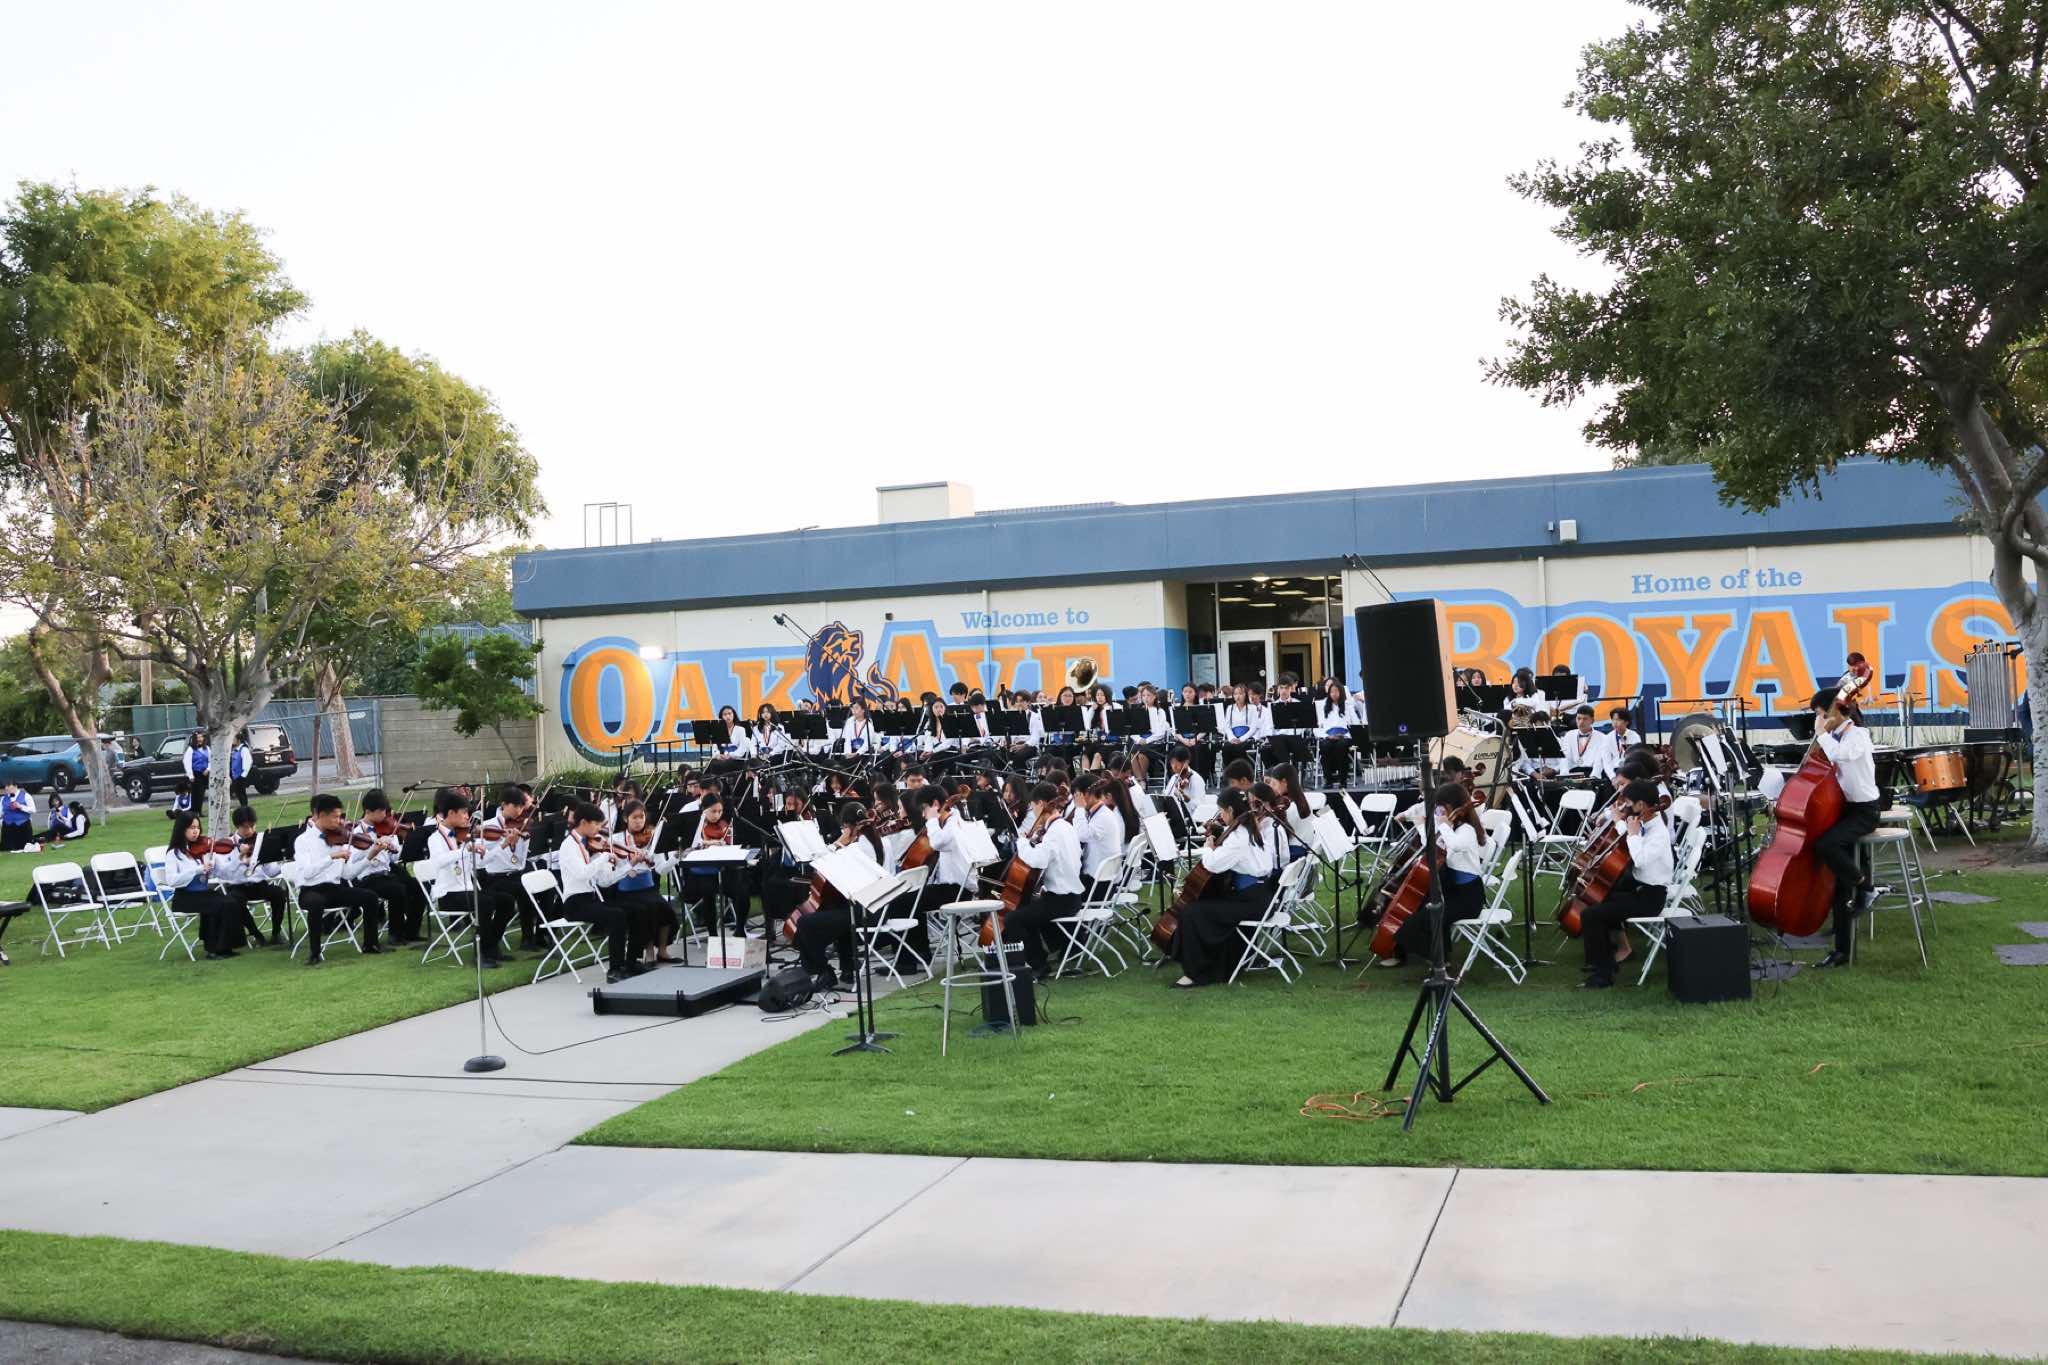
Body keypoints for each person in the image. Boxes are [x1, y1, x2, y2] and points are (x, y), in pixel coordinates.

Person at [1380, 782, 1494, 969]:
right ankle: (1428, 957)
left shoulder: (1466, 830)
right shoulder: (1453, 826)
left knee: (1426, 919)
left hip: (1468, 898)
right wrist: (1423, 827)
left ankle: (1440, 962)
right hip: (1452, 890)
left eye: (1441, 808)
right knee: (1417, 909)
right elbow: (1434, 848)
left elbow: (1455, 845)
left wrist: (1443, 825)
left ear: (1452, 806)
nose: (1438, 812)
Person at [1168, 790, 1274, 987]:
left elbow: (1212, 865)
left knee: (1192, 913)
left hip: (1251, 902)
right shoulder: (1250, 828)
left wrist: (1208, 848)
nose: (1222, 816)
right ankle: (1220, 963)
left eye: (1222, 811)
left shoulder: (1239, 836)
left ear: (1230, 810)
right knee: (1206, 905)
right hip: (1260, 896)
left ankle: (1197, 973)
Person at [1577, 780, 1676, 989]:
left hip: (1651, 898)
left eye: (1628, 803)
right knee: (1599, 900)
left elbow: (1639, 859)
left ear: (1641, 805)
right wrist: (1623, 825)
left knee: (1591, 915)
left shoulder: (1659, 833)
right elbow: (1631, 837)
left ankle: (1602, 975)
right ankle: (1605, 961)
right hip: (1640, 889)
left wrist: (1631, 833)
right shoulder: (1644, 824)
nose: (1625, 807)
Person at [1808, 684, 1880, 969]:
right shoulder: (1835, 737)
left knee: (1826, 845)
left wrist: (1821, 735)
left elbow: (1842, 755)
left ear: (1837, 711)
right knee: (1840, 881)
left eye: (1821, 714)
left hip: (1864, 811)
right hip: (1844, 809)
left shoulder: (1858, 735)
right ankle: (1841, 951)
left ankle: (1867, 886)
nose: (1819, 720)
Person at [555, 801, 650, 984]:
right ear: (584, 823)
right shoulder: (569, 846)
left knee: (639, 909)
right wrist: (604, 857)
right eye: (597, 824)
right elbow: (582, 873)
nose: (600, 829)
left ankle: (632, 962)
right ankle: (615, 969)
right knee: (616, 916)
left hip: (591, 899)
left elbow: (604, 881)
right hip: (574, 903)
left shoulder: (593, 845)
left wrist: (629, 865)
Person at [792, 801, 885, 989]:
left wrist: (838, 843)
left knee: (804, 923)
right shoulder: (879, 841)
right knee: (836, 910)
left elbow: (822, 862)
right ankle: (847, 969)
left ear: (849, 827)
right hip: (877, 905)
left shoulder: (856, 848)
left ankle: (824, 971)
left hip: (864, 911)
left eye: (844, 827)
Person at [422, 789, 517, 968]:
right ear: (451, 813)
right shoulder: (435, 838)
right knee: (485, 903)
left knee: (506, 900)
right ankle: (480, 954)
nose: (468, 817)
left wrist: (503, 845)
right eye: (464, 812)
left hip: (468, 890)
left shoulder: (464, 836)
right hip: (448, 894)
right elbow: (439, 861)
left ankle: (491, 946)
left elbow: (481, 862)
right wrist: (464, 850)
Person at [292, 795, 387, 964]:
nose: (340, 821)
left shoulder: (340, 839)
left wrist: (369, 857)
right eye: (335, 817)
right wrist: (331, 857)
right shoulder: (303, 841)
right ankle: (315, 953)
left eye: (340, 816)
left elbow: (347, 874)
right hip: (311, 890)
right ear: (320, 815)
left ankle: (371, 944)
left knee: (370, 897)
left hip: (335, 889)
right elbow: (307, 873)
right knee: (316, 903)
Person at [1003, 782, 1084, 976]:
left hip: (1062, 899)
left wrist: (1022, 843)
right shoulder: (1065, 826)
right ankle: (1055, 948)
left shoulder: (1054, 831)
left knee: (1013, 918)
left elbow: (1039, 860)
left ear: (1040, 804)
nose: (1033, 811)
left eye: (1033, 806)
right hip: (1071, 896)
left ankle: (1037, 964)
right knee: (1027, 907)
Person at [163, 814, 246, 959]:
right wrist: (197, 870)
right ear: (182, 829)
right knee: (217, 904)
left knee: (231, 902)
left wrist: (238, 857)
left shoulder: (201, 851)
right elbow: (172, 880)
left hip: (203, 893)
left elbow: (224, 872)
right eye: (191, 828)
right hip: (185, 897)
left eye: (197, 827)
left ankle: (226, 946)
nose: (196, 831)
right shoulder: (174, 854)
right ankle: (213, 949)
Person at [356, 790, 428, 946]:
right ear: (368, 811)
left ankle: (411, 931)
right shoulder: (357, 833)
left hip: (386, 873)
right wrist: (374, 849)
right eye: (381, 811)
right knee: (397, 889)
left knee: (419, 886)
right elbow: (355, 860)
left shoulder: (385, 830)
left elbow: (393, 859)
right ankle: (395, 934)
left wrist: (396, 847)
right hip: (368, 877)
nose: (385, 816)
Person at [215, 805, 289, 946]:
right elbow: (225, 873)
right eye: (245, 827)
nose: (250, 831)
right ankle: (255, 933)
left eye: (252, 826)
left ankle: (276, 933)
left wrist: (284, 863)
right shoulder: (227, 844)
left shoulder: (260, 842)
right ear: (236, 826)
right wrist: (240, 858)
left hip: (259, 884)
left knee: (279, 893)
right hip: (238, 886)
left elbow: (270, 871)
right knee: (235, 900)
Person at [182, 732, 212, 814]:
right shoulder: (190, 749)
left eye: (201, 737)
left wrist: (208, 769)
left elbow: (211, 760)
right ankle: (195, 811)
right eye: (198, 737)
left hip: (205, 774)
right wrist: (190, 775)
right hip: (196, 774)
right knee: (196, 794)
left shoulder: (207, 748)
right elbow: (186, 762)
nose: (199, 739)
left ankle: (199, 811)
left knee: (202, 793)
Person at [1, 781, 33, 852]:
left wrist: (20, 806)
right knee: (7, 849)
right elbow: (1, 813)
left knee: (24, 847)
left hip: (23, 826)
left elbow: (33, 810)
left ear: (15, 786)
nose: (6, 788)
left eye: (9, 785)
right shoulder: (3, 798)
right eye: (6, 786)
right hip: (8, 827)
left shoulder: (26, 796)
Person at [228, 731, 254, 808]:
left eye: (234, 739)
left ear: (238, 740)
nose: (232, 741)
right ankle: (243, 807)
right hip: (236, 776)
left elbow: (248, 762)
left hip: (241, 776)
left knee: (242, 793)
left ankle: (245, 807)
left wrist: (243, 775)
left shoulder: (243, 749)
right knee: (238, 793)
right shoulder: (235, 750)